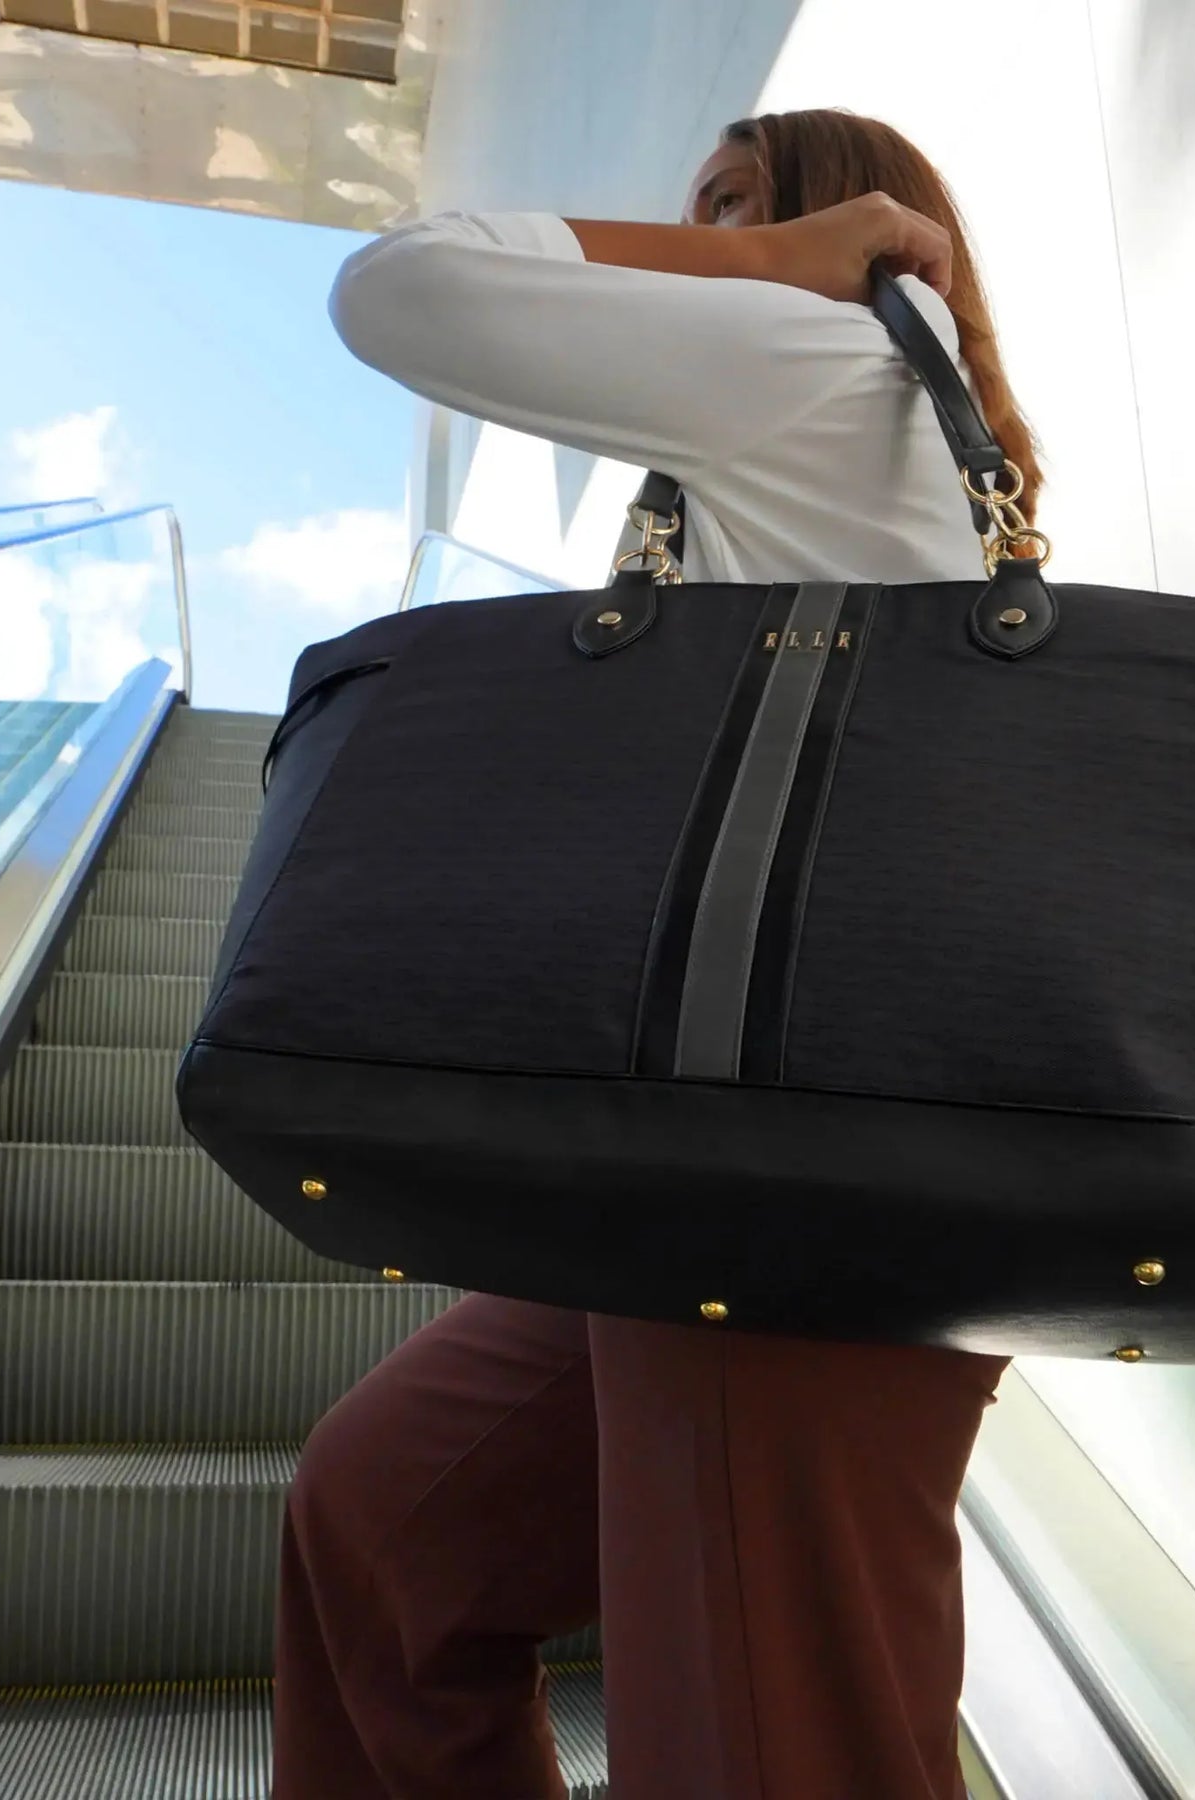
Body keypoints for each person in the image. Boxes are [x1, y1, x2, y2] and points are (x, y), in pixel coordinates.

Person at [273, 109, 1033, 1800]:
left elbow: (401, 286)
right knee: (388, 1520)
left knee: (761, 1729)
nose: (693, 239)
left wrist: (770, 264)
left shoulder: (816, 356)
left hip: (817, 1133)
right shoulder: (784, 431)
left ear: (838, 217)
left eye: (734, 202)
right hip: (712, 1135)